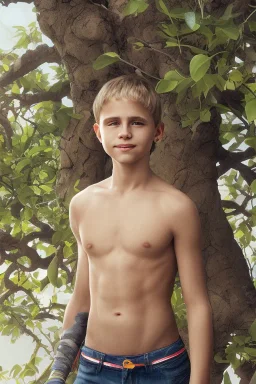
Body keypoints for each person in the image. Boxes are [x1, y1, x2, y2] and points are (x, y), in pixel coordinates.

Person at [46, 74, 214, 384]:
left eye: (137, 122)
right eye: (113, 123)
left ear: (158, 132)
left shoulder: (176, 208)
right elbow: (82, 294)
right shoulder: (82, 205)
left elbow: (197, 303)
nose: (124, 132)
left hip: (161, 367)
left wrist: (200, 380)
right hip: (93, 367)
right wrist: (63, 361)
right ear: (98, 132)